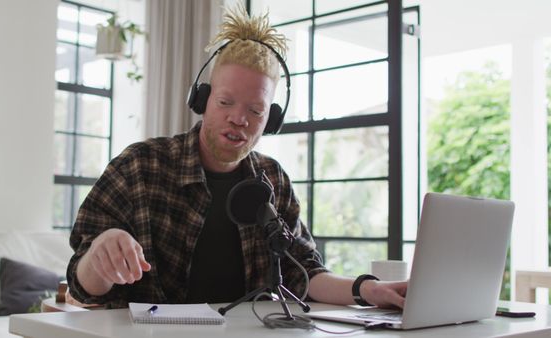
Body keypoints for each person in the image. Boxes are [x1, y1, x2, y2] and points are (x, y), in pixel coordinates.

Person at [66, 5, 407, 310]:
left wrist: (368, 290)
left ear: (270, 121)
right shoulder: (140, 166)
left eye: (255, 110)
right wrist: (100, 254)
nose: (238, 119)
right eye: (225, 102)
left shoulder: (272, 179)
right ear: (202, 99)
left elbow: (303, 273)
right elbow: (83, 288)